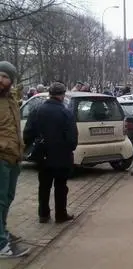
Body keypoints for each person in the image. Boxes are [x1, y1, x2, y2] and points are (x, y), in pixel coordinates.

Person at [23, 82, 77, 223]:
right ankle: (60, 214)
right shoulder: (66, 113)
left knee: (44, 186)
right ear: (62, 95)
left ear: (50, 94)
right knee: (61, 186)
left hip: (43, 155)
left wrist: (33, 147)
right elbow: (72, 139)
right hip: (61, 156)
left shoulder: (37, 110)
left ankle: (43, 214)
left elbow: (28, 133)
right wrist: (68, 148)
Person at [0, 61, 30, 258]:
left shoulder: (10, 99)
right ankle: (1, 244)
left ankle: (2, 231)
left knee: (7, 199)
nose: (1, 80)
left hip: (14, 156)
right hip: (1, 156)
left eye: (5, 77)